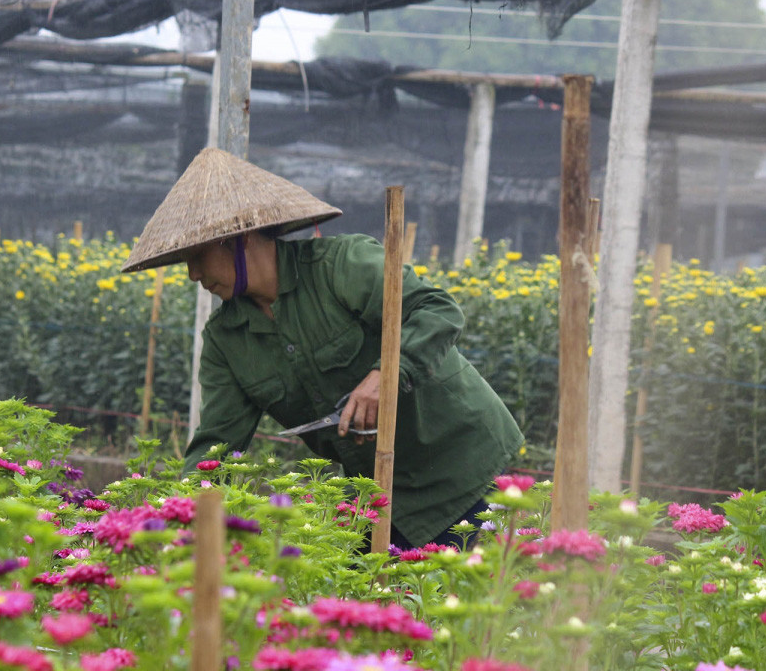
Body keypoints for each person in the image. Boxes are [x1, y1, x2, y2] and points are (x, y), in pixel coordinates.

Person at [121, 148, 523, 549]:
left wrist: (384, 374)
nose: (193, 274)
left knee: (465, 600)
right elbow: (216, 445)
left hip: (462, 468)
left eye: (196, 256)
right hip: (377, 494)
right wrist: (173, 519)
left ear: (235, 238)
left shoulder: (342, 265)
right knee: (358, 599)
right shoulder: (227, 339)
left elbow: (438, 310)